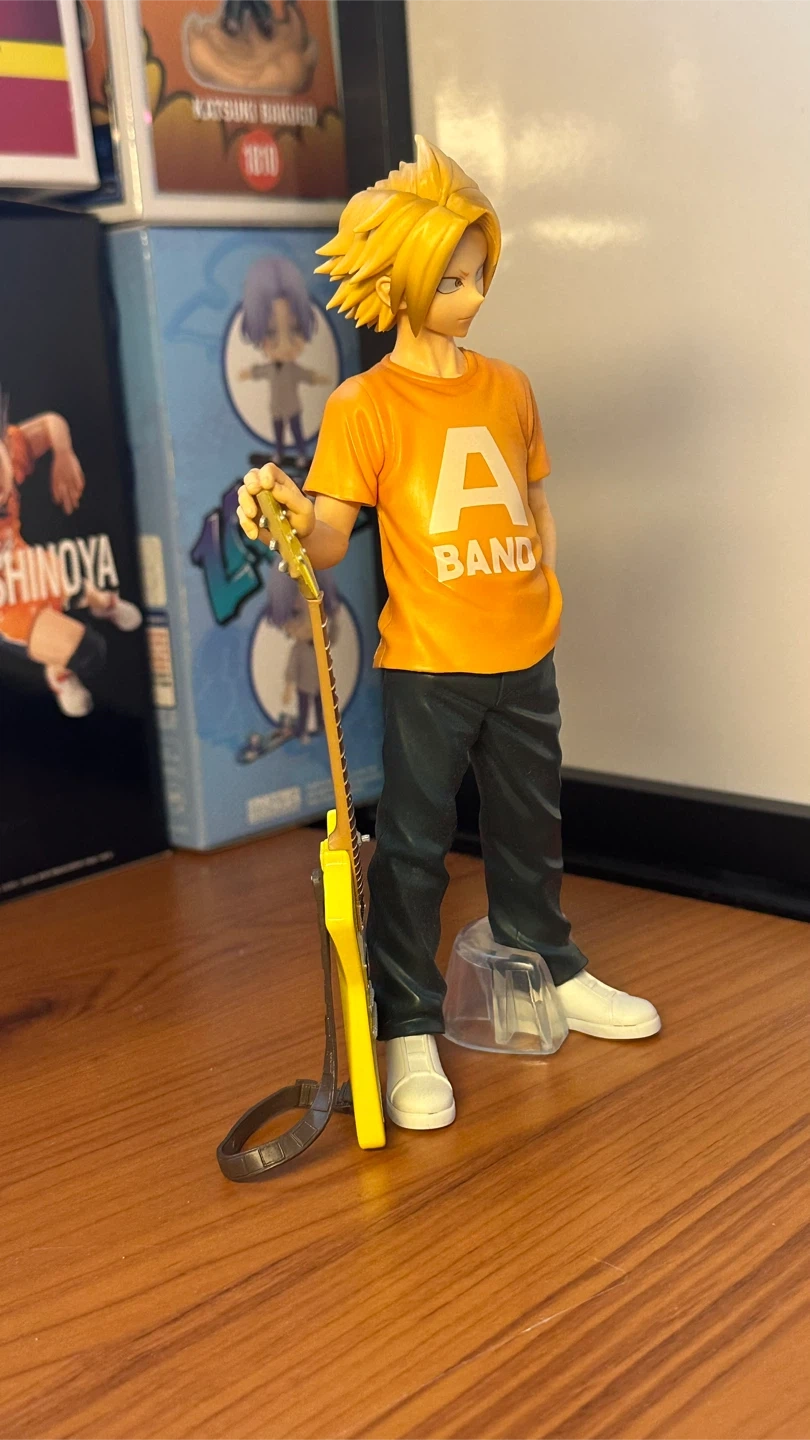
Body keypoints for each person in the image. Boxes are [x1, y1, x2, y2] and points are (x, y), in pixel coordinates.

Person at [237, 138, 660, 1132]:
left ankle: (551, 963)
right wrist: (291, 515)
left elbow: (535, 497)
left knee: (530, 824)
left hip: (523, 651)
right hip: (429, 664)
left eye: (478, 274)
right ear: (400, 282)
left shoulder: (509, 385)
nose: (472, 297)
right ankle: (409, 1021)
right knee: (416, 844)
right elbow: (334, 536)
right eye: (452, 279)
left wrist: (539, 586)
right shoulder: (365, 405)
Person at [0, 399, 141, 717]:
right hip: (7, 610)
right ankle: (59, 674)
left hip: (30, 566)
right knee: (90, 653)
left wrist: (64, 455)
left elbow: (51, 423)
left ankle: (103, 603)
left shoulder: (10, 449)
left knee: (70, 580)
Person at [239, 256, 327, 468]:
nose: (285, 346)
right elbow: (259, 371)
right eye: (271, 333)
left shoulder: (293, 368)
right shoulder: (270, 369)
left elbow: (306, 375)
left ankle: (301, 454)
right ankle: (278, 454)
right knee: (278, 433)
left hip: (293, 407)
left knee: (296, 431)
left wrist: (318, 378)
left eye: (295, 330)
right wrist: (248, 373)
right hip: (276, 408)